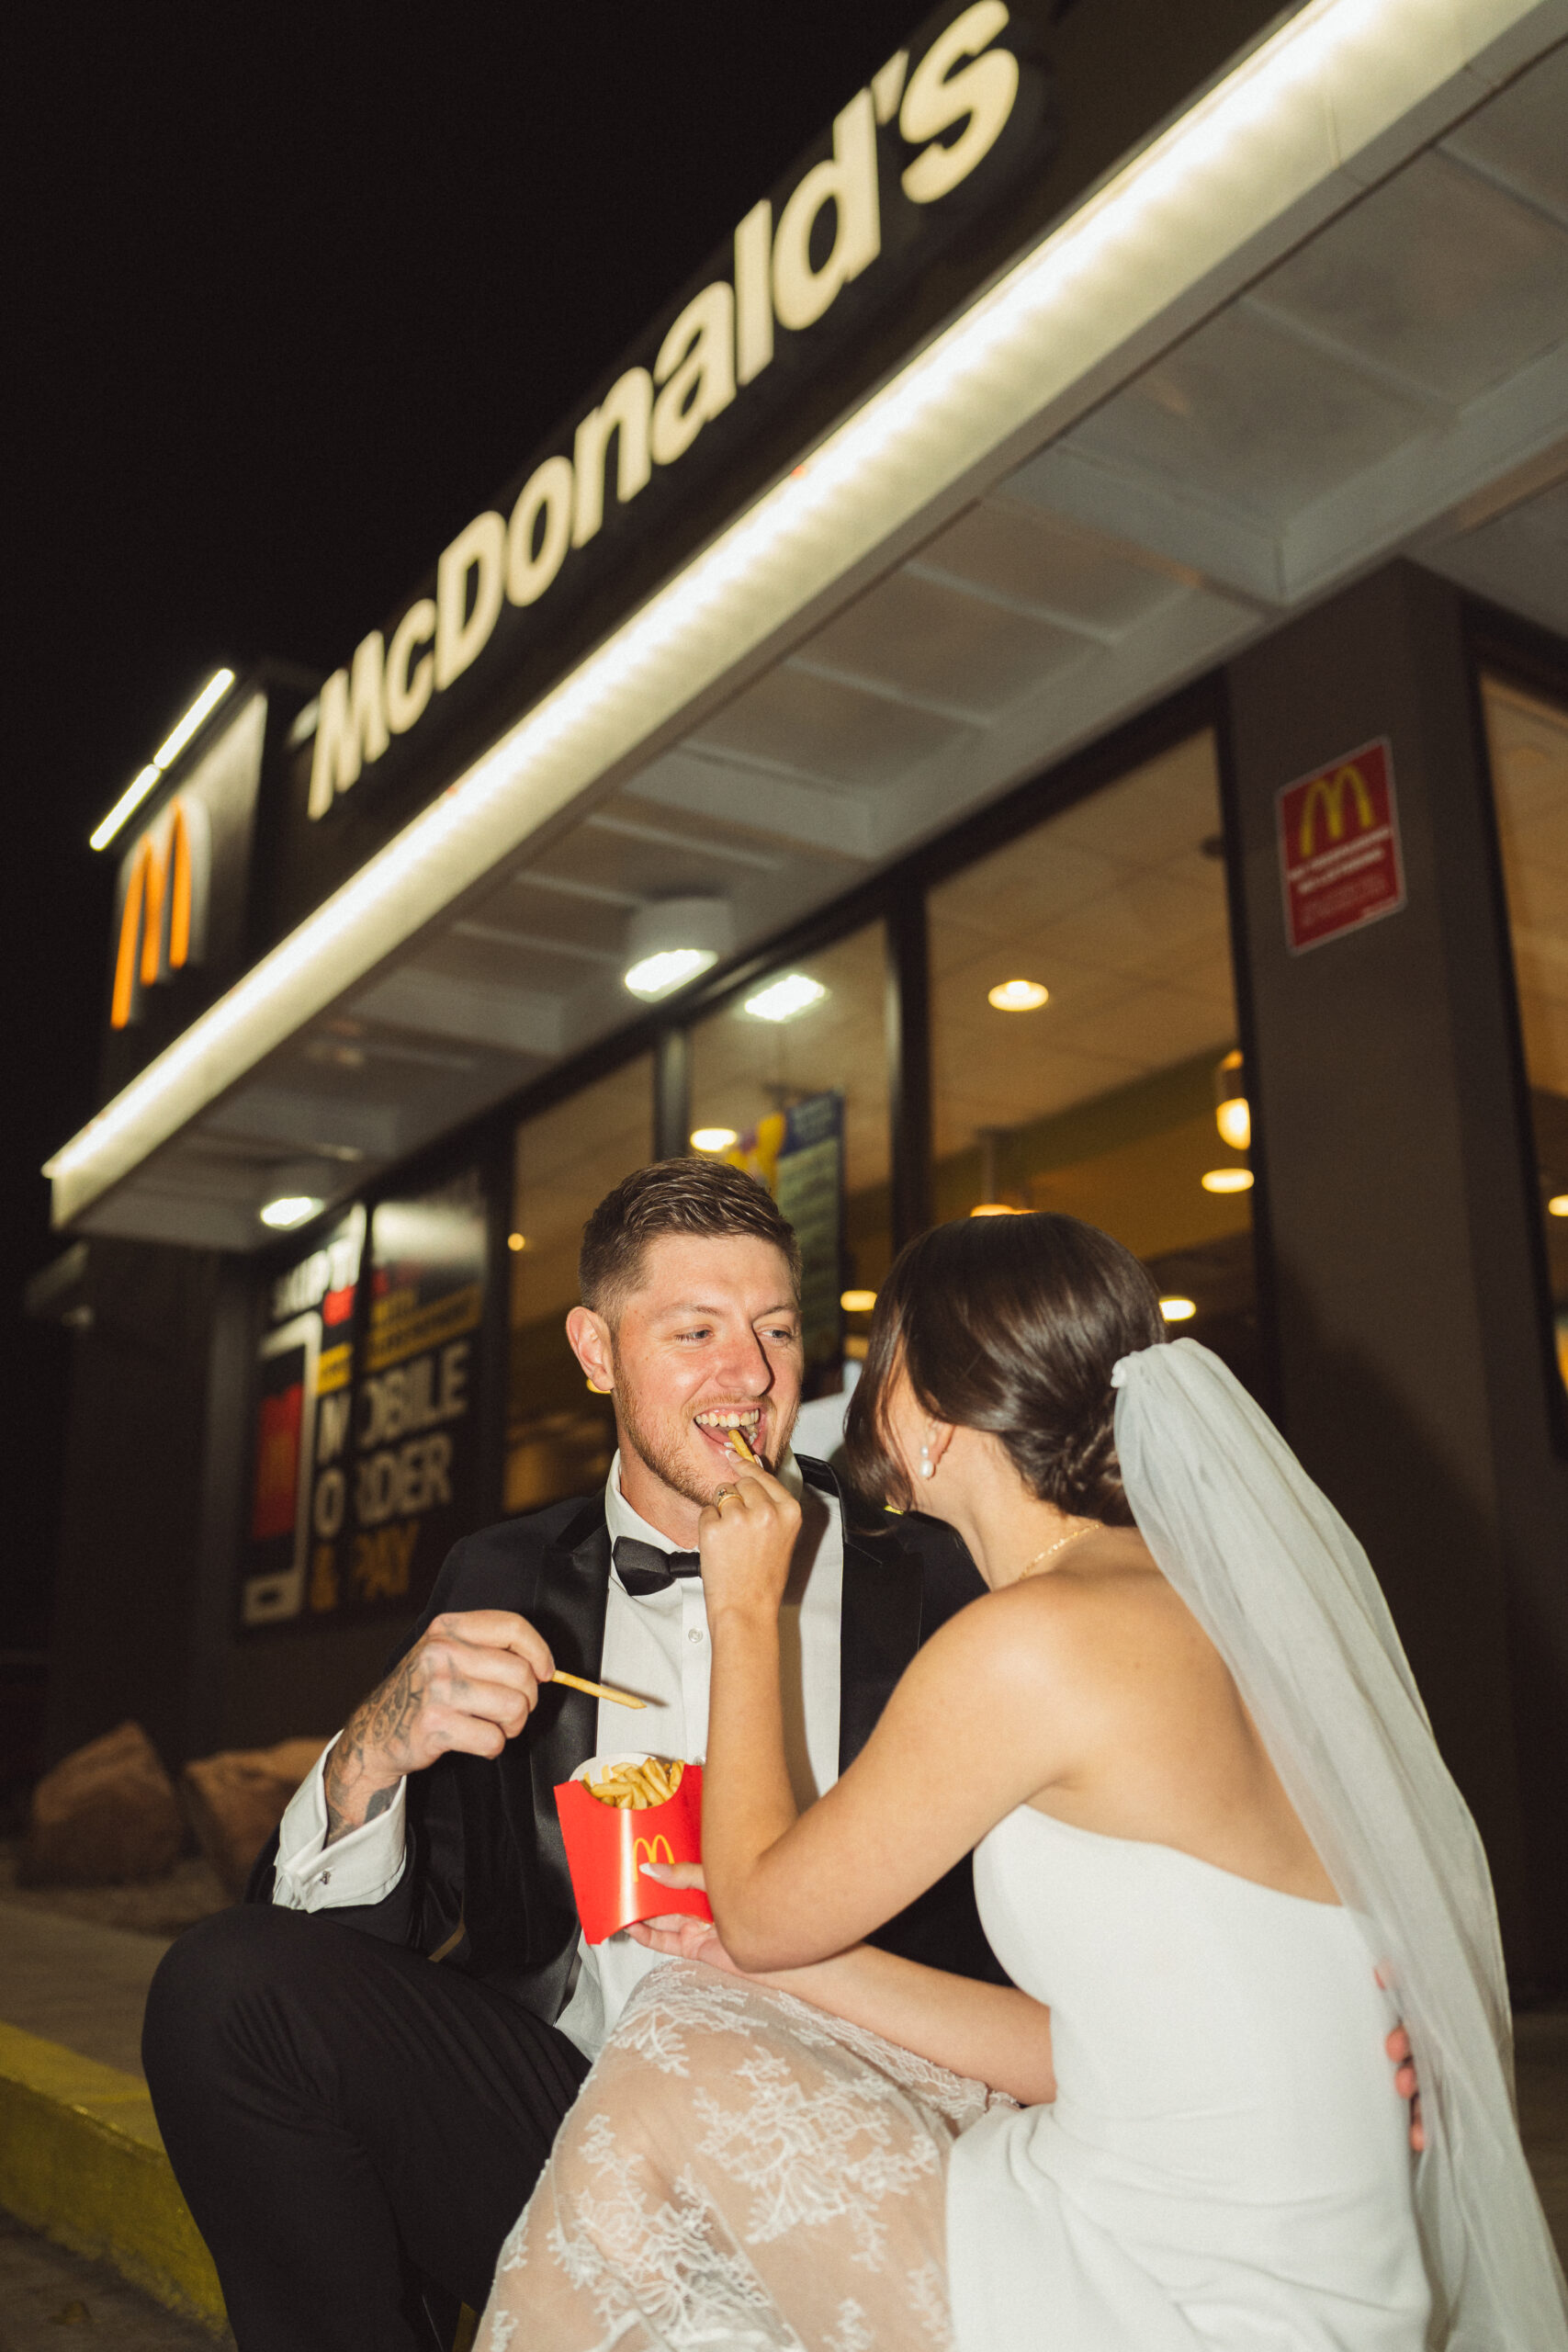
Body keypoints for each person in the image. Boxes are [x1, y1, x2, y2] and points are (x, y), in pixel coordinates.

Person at [478, 1211, 1568, 2352]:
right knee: (698, 2034)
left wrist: (748, 1604)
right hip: (1305, 2256)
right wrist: (751, 1964)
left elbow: (757, 1909)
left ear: (934, 1418)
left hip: (1194, 2294)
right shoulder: (1204, 1605)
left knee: (669, 2074)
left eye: (879, 1355)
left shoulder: (1032, 1642)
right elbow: (1076, 2044)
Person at [141, 1159, 1002, 2352]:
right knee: (227, 1988)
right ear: (596, 1352)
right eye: (695, 1331)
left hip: (857, 2126)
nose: (751, 1375)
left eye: (774, 1329)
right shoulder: (500, 1577)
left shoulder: (933, 1572)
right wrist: (370, 1755)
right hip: (571, 2115)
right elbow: (359, 1945)